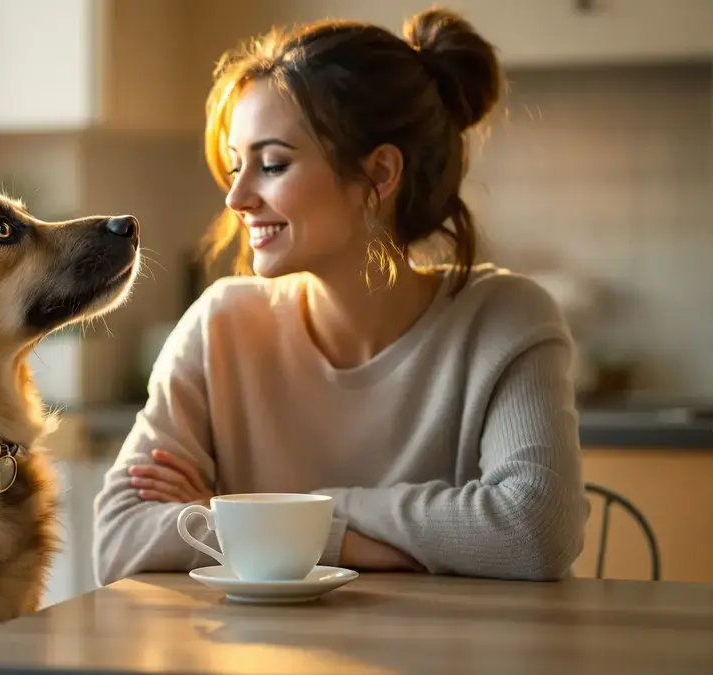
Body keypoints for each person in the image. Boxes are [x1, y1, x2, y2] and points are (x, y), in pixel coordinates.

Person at [92, 7, 590, 585]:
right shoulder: (219, 325)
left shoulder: (504, 318)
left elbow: (534, 531)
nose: (237, 199)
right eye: (236, 166)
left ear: (379, 174)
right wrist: (374, 542)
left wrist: (259, 517)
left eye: (272, 164)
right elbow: (119, 538)